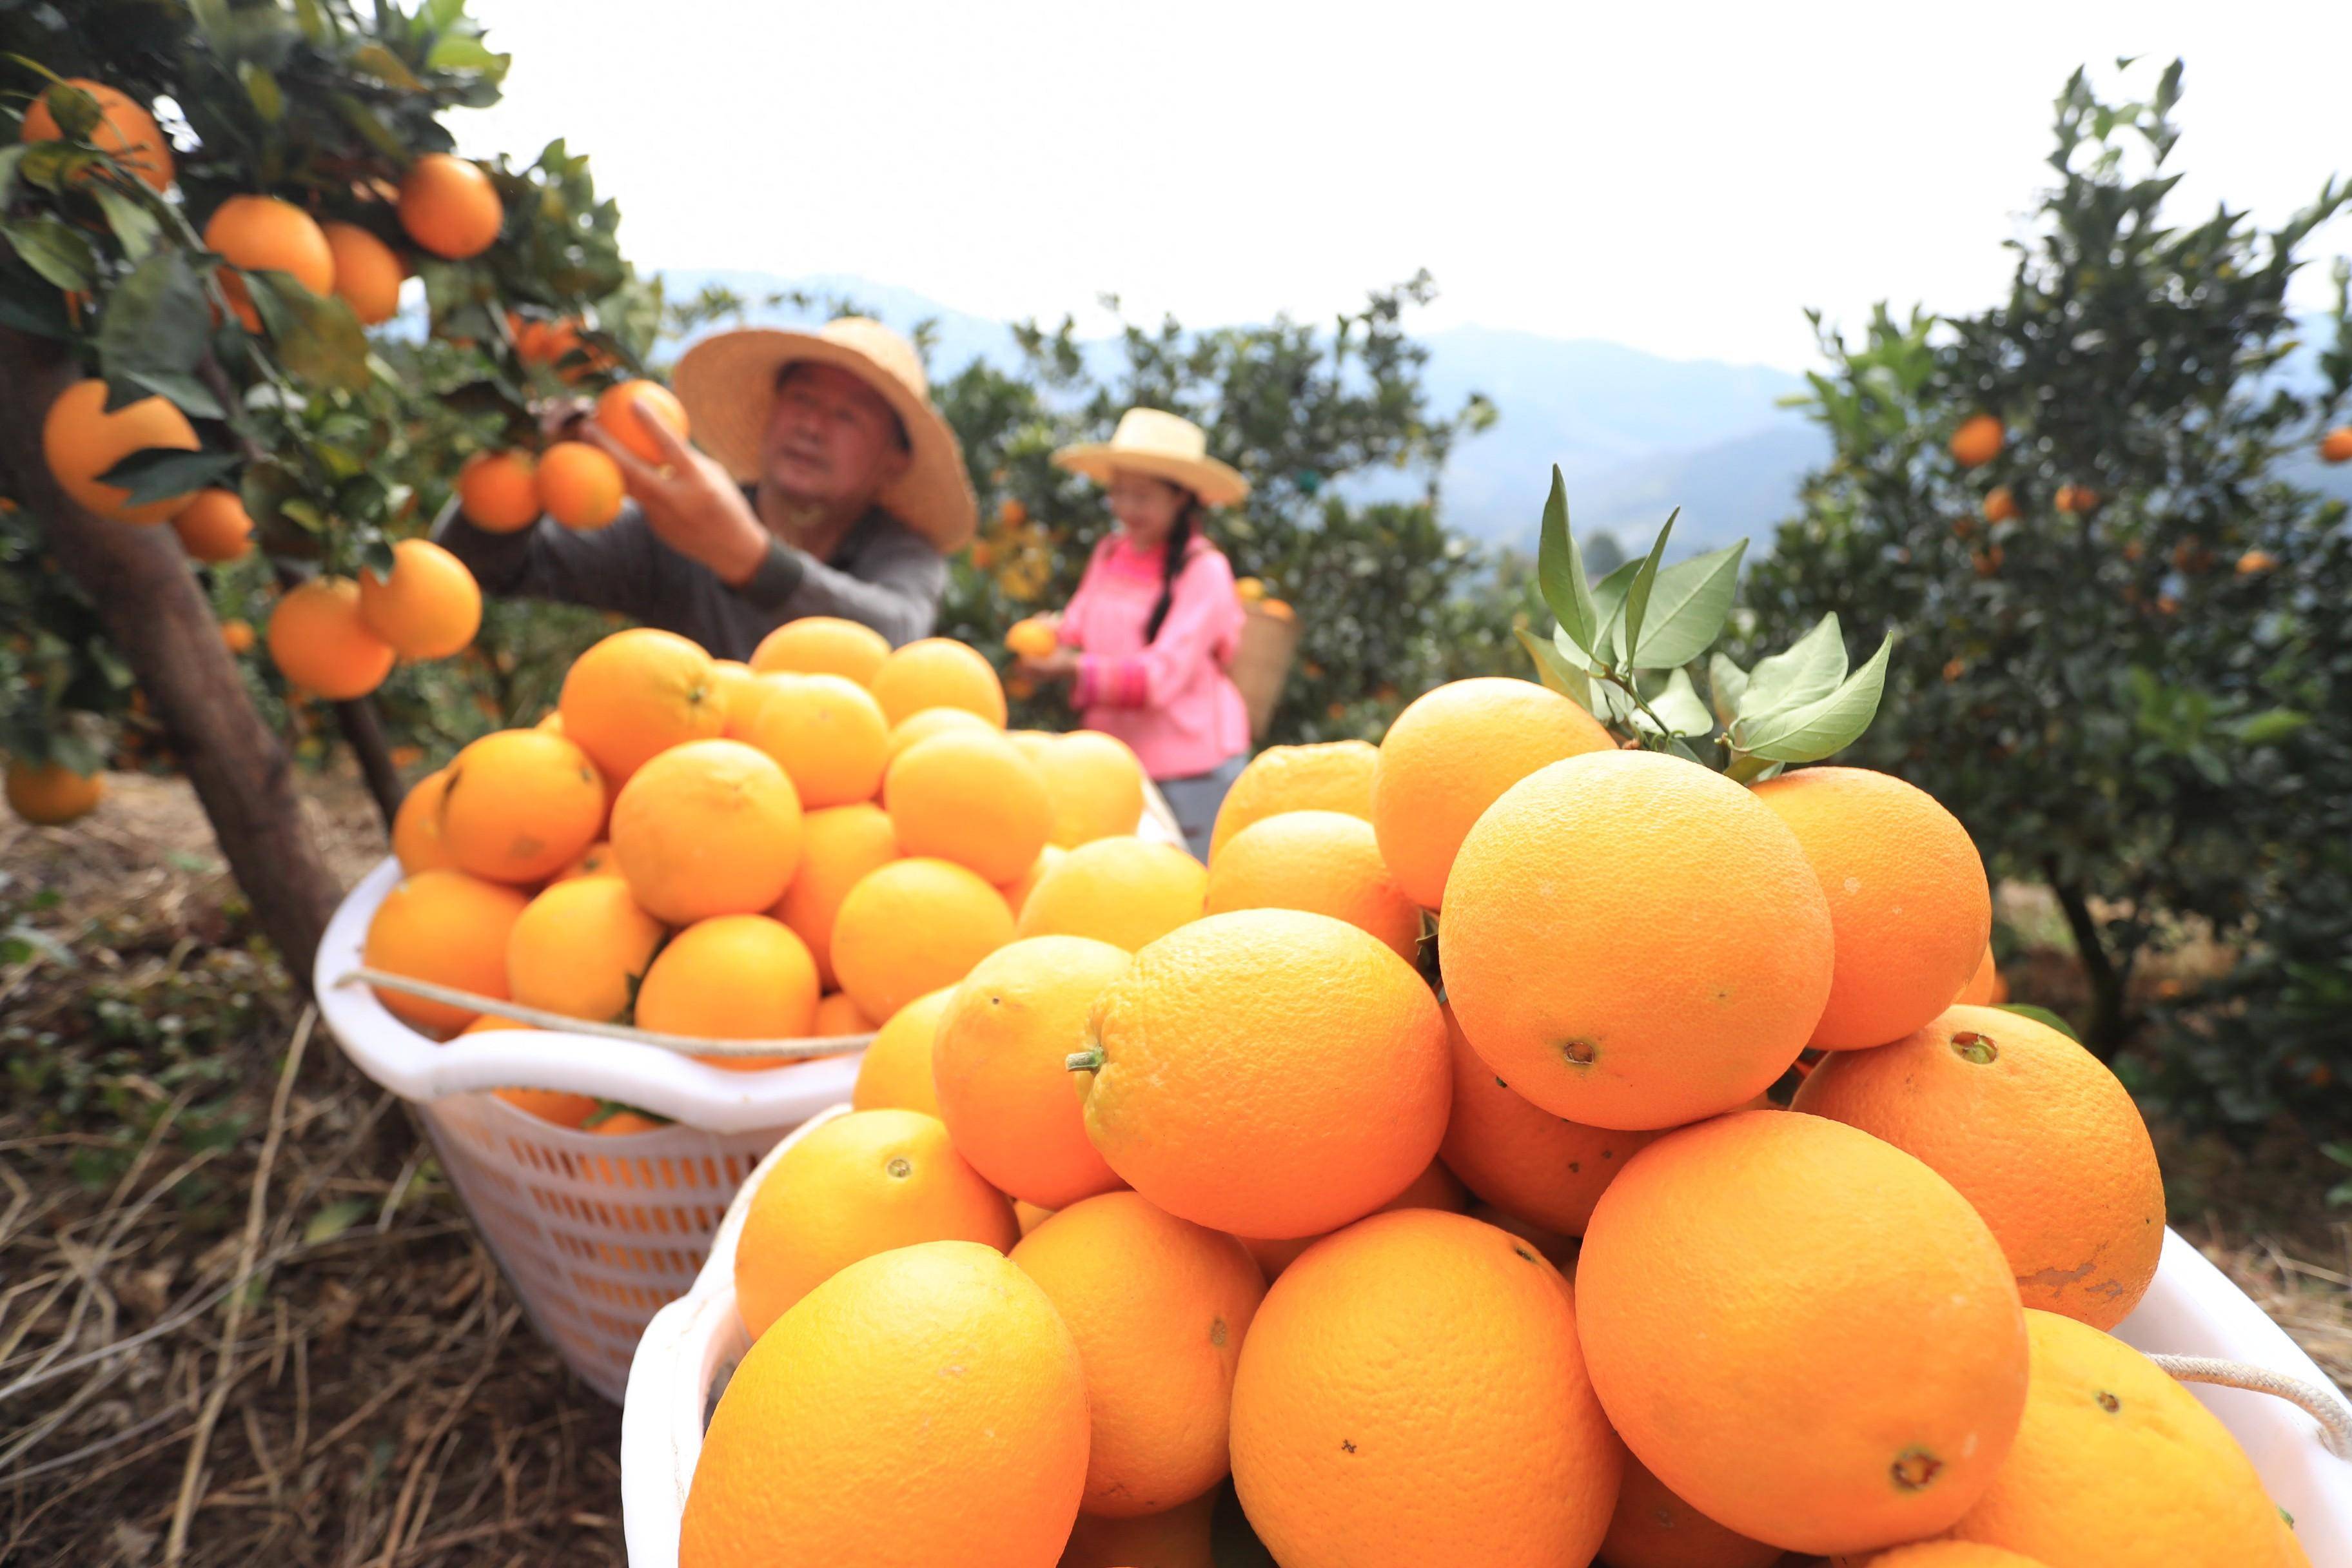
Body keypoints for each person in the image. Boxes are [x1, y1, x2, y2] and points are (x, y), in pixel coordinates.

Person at [433, 317, 975, 659]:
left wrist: (748, 558)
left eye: (847, 416)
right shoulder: (676, 524)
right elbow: (483, 566)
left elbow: (896, 637)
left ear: (891, 462)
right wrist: (529, 467)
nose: (813, 426)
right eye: (803, 400)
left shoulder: (902, 552)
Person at [1022, 408, 1252, 859]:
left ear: (1181, 498)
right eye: (1119, 493)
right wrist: (1049, 634)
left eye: (1142, 497)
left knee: (1186, 889)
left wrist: (1070, 669)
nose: (1127, 509)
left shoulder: (1205, 570)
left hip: (1190, 771)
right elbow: (1079, 622)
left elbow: (1160, 676)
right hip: (1116, 763)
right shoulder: (1110, 551)